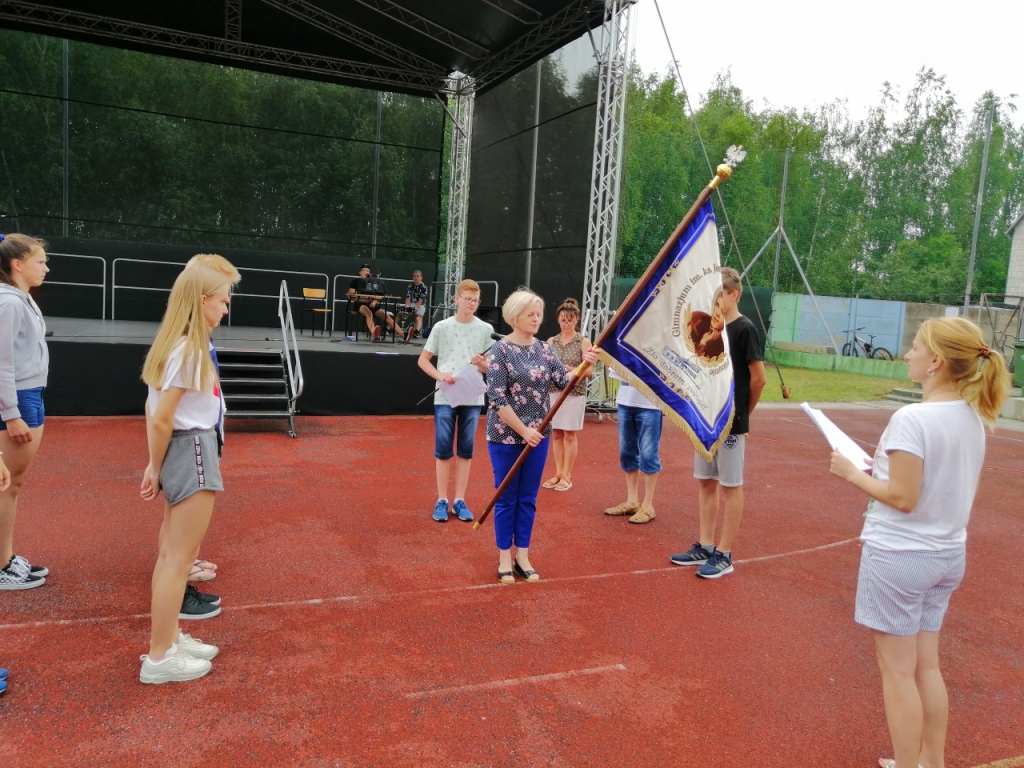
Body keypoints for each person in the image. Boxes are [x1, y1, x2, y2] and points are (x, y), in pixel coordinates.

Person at [828, 317, 1007, 768]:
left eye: (915, 347)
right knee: (927, 666)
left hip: (901, 555)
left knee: (897, 671)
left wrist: (850, 474)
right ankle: (931, 761)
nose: (907, 354)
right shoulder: (973, 416)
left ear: (936, 362)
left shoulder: (912, 418)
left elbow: (903, 497)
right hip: (946, 554)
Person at [138, 262, 240, 684]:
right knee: (177, 561)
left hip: (185, 448)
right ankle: (160, 657)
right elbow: (162, 417)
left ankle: (168, 640)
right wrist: (154, 466)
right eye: (223, 300)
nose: (226, 308)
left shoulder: (177, 344)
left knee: (171, 556)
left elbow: (155, 411)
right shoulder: (191, 349)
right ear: (202, 301)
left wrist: (156, 464)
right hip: (192, 447)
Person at [486, 288, 596, 583]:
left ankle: (522, 554)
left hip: (538, 437)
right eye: (530, 314)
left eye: (538, 314)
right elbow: (496, 397)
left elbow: (562, 379)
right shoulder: (501, 351)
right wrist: (524, 430)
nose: (536, 319)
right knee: (506, 497)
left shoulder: (545, 350)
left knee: (528, 498)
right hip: (505, 437)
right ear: (515, 317)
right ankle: (504, 556)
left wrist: (586, 363)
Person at [671, 266, 766, 578]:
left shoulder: (744, 329)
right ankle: (706, 545)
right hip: (707, 419)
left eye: (718, 295)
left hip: (730, 421)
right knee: (706, 481)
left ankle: (724, 554)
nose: (713, 301)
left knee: (730, 485)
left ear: (733, 295)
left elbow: (758, 379)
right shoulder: (713, 328)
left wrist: (742, 415)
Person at [182, 253, 239, 585]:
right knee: (187, 513)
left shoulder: (201, 335)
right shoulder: (189, 342)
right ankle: (181, 570)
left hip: (204, 432)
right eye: (223, 298)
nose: (226, 307)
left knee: (187, 514)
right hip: (194, 437)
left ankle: (185, 560)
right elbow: (159, 410)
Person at [417, 279, 493, 523]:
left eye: (475, 300)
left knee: (466, 450)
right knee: (443, 449)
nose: (471, 303)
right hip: (445, 395)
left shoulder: (485, 329)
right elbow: (423, 360)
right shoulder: (442, 327)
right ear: (456, 299)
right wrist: (440, 375)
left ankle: (459, 499)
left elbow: (490, 367)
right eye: (468, 299)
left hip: (472, 395)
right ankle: (442, 499)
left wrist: (482, 364)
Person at [0, 233, 51, 591]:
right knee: (7, 485)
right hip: (17, 399)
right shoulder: (9, 303)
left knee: (12, 485)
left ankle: (5, 557)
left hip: (28, 394)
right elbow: (1, 362)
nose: (46, 268)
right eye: (41, 261)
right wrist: (11, 413)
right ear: (17, 265)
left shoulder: (19, 299)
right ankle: (2, 565)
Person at [542, 298, 593, 493]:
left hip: (574, 393)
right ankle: (558, 473)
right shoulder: (551, 342)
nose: (566, 324)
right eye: (563, 320)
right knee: (556, 433)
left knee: (569, 434)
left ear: (576, 320)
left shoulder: (583, 342)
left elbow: (589, 371)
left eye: (570, 320)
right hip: (554, 391)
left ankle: (567, 475)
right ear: (558, 319)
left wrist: (571, 369)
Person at [602, 369, 663, 524]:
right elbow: (615, 367)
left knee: (649, 454)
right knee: (627, 453)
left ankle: (648, 506)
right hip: (625, 402)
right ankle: (632, 501)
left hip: (650, 404)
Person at [347, 264, 401, 340]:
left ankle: (404, 334)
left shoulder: (373, 282)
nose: (366, 272)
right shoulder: (355, 281)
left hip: (371, 304)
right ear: (360, 272)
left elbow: (378, 295)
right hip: (360, 304)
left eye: (367, 271)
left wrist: (374, 301)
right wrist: (362, 299)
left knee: (385, 315)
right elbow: (350, 295)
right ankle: (374, 333)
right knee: (369, 313)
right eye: (364, 270)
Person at [403, 269, 429, 342]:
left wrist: (415, 309)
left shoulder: (424, 287)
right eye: (414, 276)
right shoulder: (410, 286)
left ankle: (416, 331)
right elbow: (408, 298)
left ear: (421, 277)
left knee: (418, 317)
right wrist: (407, 308)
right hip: (412, 303)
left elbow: (420, 300)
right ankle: (388, 328)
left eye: (418, 276)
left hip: (421, 304)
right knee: (400, 314)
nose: (416, 278)